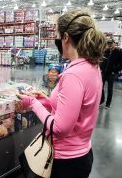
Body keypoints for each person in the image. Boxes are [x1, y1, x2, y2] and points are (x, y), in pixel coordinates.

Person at [17, 10, 106, 178]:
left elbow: (60, 128)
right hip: (82, 154)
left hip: (65, 162)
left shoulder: (73, 74)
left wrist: (33, 103)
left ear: (65, 37)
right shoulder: (91, 66)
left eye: (57, 35)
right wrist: (44, 99)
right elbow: (74, 108)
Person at [100, 38, 122, 109]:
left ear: (114, 43)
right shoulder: (106, 51)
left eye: (111, 43)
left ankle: (108, 104)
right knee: (101, 87)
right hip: (104, 72)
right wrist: (101, 68)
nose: (109, 45)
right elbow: (102, 60)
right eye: (108, 43)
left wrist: (115, 71)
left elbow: (121, 64)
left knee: (110, 88)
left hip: (112, 73)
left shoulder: (119, 52)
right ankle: (101, 101)